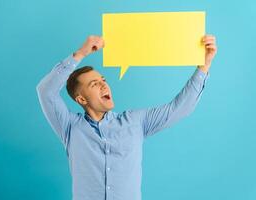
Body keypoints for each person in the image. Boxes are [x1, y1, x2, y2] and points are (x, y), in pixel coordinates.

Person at [36, 35, 217, 200]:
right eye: (94, 84)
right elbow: (45, 91)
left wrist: (204, 65)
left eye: (103, 80)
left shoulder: (135, 121)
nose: (103, 85)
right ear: (81, 99)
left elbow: (178, 109)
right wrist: (81, 53)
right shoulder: (70, 127)